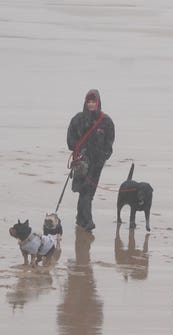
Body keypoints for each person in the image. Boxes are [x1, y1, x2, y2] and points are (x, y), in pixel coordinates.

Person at [67, 89, 115, 231]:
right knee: (84, 191)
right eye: (89, 101)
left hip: (97, 164)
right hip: (81, 162)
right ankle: (87, 221)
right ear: (85, 102)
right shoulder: (78, 119)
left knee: (88, 191)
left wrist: (103, 157)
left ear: (98, 102)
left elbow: (109, 143)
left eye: (93, 101)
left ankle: (81, 219)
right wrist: (79, 151)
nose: (91, 104)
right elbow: (70, 140)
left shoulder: (106, 121)